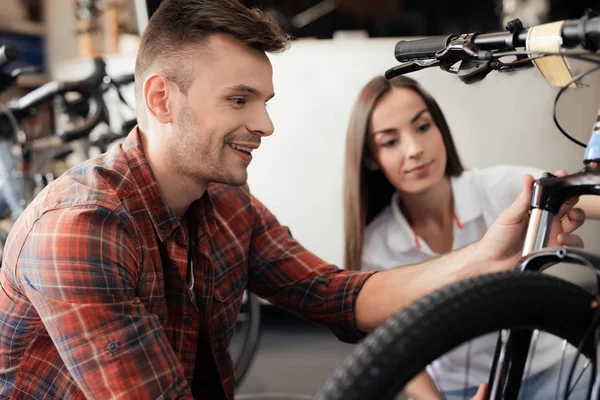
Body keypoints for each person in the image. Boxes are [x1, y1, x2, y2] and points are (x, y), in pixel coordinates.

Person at [0, 1, 584, 399]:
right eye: (239, 100)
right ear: (159, 98)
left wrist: (487, 256)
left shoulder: (226, 203)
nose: (265, 124)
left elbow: (339, 296)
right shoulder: (80, 228)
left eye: (265, 100)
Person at [343, 74, 596, 399]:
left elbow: (589, 197)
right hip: (455, 391)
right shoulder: (376, 246)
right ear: (370, 159)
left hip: (551, 370)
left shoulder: (501, 188)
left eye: (422, 127)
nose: (415, 150)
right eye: (390, 142)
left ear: (440, 129)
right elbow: (395, 344)